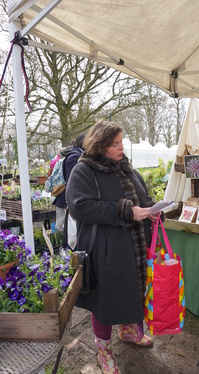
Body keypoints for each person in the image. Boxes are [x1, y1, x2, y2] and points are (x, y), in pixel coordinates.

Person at [66, 120, 159, 374]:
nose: (121, 147)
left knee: (132, 291)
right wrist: (127, 211)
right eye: (115, 144)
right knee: (105, 302)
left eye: (121, 142)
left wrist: (149, 209)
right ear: (101, 145)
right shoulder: (83, 170)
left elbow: (139, 195)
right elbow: (80, 207)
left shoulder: (125, 166)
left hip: (132, 246)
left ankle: (129, 330)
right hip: (104, 250)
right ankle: (103, 351)